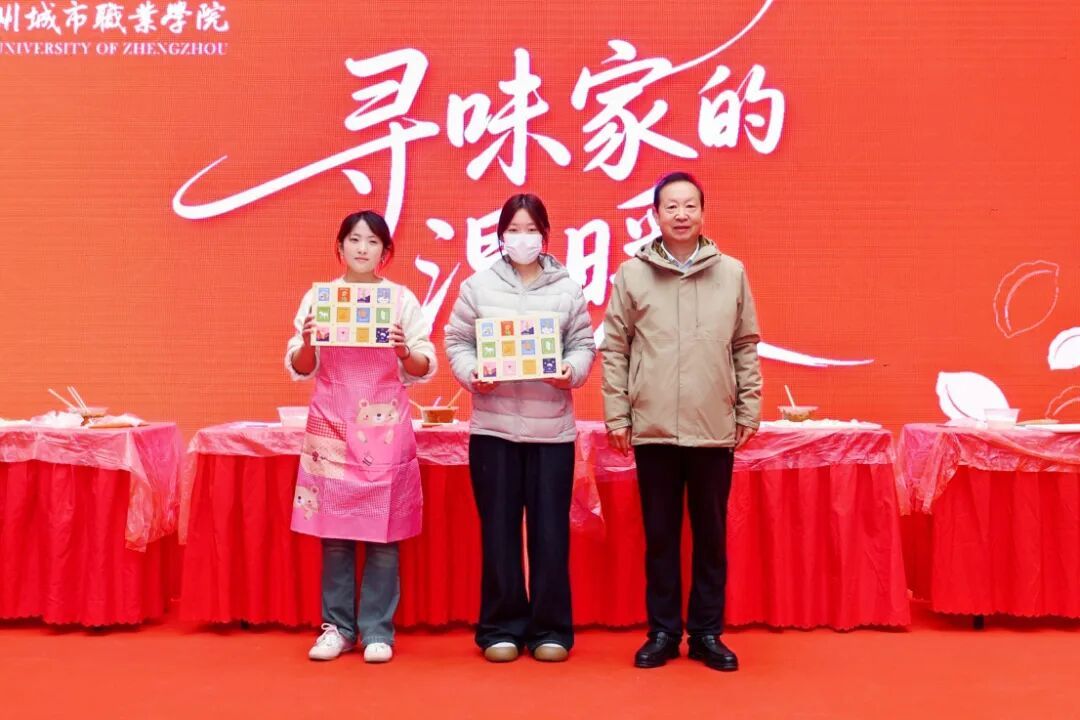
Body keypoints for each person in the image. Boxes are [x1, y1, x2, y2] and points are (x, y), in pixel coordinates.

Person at [601, 171, 762, 672]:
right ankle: (664, 632)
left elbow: (745, 346)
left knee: (711, 537)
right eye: (671, 206)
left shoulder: (731, 273)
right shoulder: (632, 274)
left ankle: (708, 633)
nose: (681, 214)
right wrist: (617, 413)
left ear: (703, 213)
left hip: (712, 425)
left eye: (690, 205)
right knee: (661, 537)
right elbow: (615, 349)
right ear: (655, 214)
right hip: (652, 427)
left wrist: (748, 407)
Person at [444, 193, 596, 663]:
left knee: (551, 535)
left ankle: (551, 629)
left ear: (545, 235)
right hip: (494, 430)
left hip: (552, 432)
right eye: (514, 230)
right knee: (499, 533)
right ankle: (500, 628)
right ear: (500, 236)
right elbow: (457, 341)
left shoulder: (567, 288)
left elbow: (583, 344)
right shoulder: (477, 286)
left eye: (531, 230)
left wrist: (570, 371)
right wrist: (473, 374)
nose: (523, 238)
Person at [286, 210, 436, 663]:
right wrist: (309, 342)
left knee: (383, 534)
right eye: (354, 239)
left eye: (372, 241)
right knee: (333, 533)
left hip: (383, 428)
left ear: (386, 252)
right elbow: (301, 365)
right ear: (340, 247)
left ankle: (377, 631)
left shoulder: (400, 300)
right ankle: (336, 628)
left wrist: (404, 351)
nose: (362, 248)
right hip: (331, 422)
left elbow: (423, 365)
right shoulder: (320, 298)